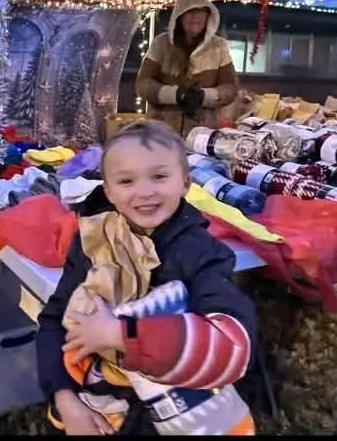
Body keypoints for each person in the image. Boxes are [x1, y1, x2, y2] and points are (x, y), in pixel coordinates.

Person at [36, 120, 258, 435]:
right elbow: (54, 320)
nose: (145, 191)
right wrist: (65, 399)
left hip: (167, 411)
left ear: (186, 183)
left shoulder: (203, 254)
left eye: (159, 176)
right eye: (126, 181)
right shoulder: (93, 241)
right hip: (92, 400)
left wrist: (120, 335)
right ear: (108, 191)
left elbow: (234, 344)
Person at [136, 0, 238, 138]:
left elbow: (230, 88)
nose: (195, 16)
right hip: (162, 131)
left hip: (203, 134)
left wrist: (204, 96)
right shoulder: (161, 43)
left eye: (200, 11)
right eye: (190, 11)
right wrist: (175, 94)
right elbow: (142, 84)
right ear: (180, 16)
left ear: (208, 15)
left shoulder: (219, 46)